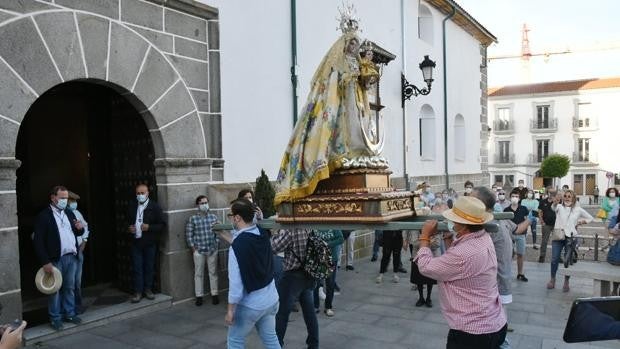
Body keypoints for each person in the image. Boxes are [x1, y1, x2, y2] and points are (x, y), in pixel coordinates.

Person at [274, 13, 385, 207]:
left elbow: (367, 84)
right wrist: (348, 79)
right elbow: (333, 86)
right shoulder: (336, 63)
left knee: (359, 129)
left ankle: (357, 153)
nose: (354, 47)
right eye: (351, 43)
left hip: (357, 102)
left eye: (356, 44)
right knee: (346, 128)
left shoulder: (358, 63)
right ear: (344, 45)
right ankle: (341, 155)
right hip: (343, 103)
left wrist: (367, 68)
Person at [416, 197, 507, 349]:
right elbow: (461, 268)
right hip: (493, 322)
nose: (451, 222)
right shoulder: (483, 237)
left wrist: (424, 236)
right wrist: (448, 240)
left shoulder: (463, 253)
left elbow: (425, 267)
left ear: (463, 226)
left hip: (472, 333)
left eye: (454, 220)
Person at [224, 199, 280, 348]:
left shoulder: (237, 246)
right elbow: (242, 240)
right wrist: (220, 235)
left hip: (251, 304)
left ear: (237, 218)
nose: (230, 218)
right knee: (271, 340)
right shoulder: (262, 233)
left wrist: (230, 310)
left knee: (235, 341)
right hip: (271, 298)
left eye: (231, 215)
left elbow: (235, 285)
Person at [33, 185, 85, 330]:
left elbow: (78, 232)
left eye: (66, 198)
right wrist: (45, 262)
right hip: (55, 259)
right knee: (54, 290)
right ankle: (55, 317)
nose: (64, 200)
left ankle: (69, 313)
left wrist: (80, 228)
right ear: (53, 198)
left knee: (69, 287)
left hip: (71, 257)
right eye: (62, 198)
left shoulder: (69, 213)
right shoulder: (44, 216)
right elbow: (38, 242)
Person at [472, 187, 515, 349]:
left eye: (471, 199)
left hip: (494, 286)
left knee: (497, 337)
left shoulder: (490, 224)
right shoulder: (495, 219)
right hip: (497, 284)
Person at [271, 228, 319, 348]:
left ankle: (277, 345)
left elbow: (273, 247)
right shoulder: (309, 226)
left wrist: (274, 233)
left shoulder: (290, 230)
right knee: (310, 313)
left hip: (292, 277)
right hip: (307, 274)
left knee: (282, 313)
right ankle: (313, 344)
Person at [547, 190, 593, 292]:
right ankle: (552, 278)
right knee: (554, 259)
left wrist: (581, 222)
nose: (567, 198)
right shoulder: (559, 207)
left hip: (571, 237)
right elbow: (553, 207)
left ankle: (566, 281)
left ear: (573, 198)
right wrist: (555, 202)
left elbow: (590, 218)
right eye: (565, 196)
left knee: (567, 260)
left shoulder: (578, 209)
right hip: (558, 236)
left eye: (569, 196)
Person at [127, 184, 166, 303]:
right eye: (138, 193)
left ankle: (148, 289)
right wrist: (129, 229)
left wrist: (149, 227)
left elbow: (162, 225)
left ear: (147, 193)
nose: (140, 195)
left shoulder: (154, 207)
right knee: (137, 267)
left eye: (142, 193)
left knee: (149, 267)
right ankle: (138, 291)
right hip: (136, 242)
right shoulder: (132, 206)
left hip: (149, 243)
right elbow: (126, 222)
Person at [186, 195, 220, 306]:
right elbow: (189, 234)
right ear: (198, 205)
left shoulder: (213, 217)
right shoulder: (193, 219)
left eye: (206, 202)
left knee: (213, 272)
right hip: (199, 250)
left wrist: (216, 244)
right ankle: (199, 296)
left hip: (212, 249)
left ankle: (214, 294)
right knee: (198, 273)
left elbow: (218, 232)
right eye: (202, 203)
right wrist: (193, 248)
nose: (205, 205)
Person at [312, 230, 344, 316]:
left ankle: (328, 307)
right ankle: (315, 306)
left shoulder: (333, 223)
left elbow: (341, 239)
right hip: (318, 258)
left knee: (330, 283)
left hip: (331, 258)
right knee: (316, 283)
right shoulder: (315, 224)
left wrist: (327, 244)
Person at [67, 191, 89, 314]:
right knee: (68, 283)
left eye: (74, 201)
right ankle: (68, 308)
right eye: (71, 201)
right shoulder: (63, 214)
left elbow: (85, 227)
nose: (73, 203)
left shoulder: (76, 213)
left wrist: (84, 241)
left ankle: (78, 305)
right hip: (68, 252)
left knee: (77, 281)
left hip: (78, 250)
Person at [504, 189, 531, 282]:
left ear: (519, 198)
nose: (514, 198)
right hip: (509, 235)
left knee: (521, 254)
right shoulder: (506, 210)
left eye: (516, 196)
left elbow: (527, 220)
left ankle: (520, 273)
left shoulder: (523, 209)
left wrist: (527, 230)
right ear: (510, 197)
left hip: (521, 235)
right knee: (508, 254)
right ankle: (507, 273)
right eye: (513, 196)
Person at [408, 230, 439, 307]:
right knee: (419, 280)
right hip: (417, 258)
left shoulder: (435, 229)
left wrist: (422, 242)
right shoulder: (415, 229)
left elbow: (437, 244)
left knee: (430, 280)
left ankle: (429, 298)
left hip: (431, 257)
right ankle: (421, 298)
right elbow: (414, 243)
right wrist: (429, 242)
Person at [538, 187, 558, 263]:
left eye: (553, 193)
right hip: (546, 224)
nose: (551, 194)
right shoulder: (543, 201)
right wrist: (542, 221)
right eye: (550, 192)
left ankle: (557, 256)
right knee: (544, 241)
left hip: (556, 225)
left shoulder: (557, 201)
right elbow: (540, 212)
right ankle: (542, 256)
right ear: (547, 193)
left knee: (557, 241)